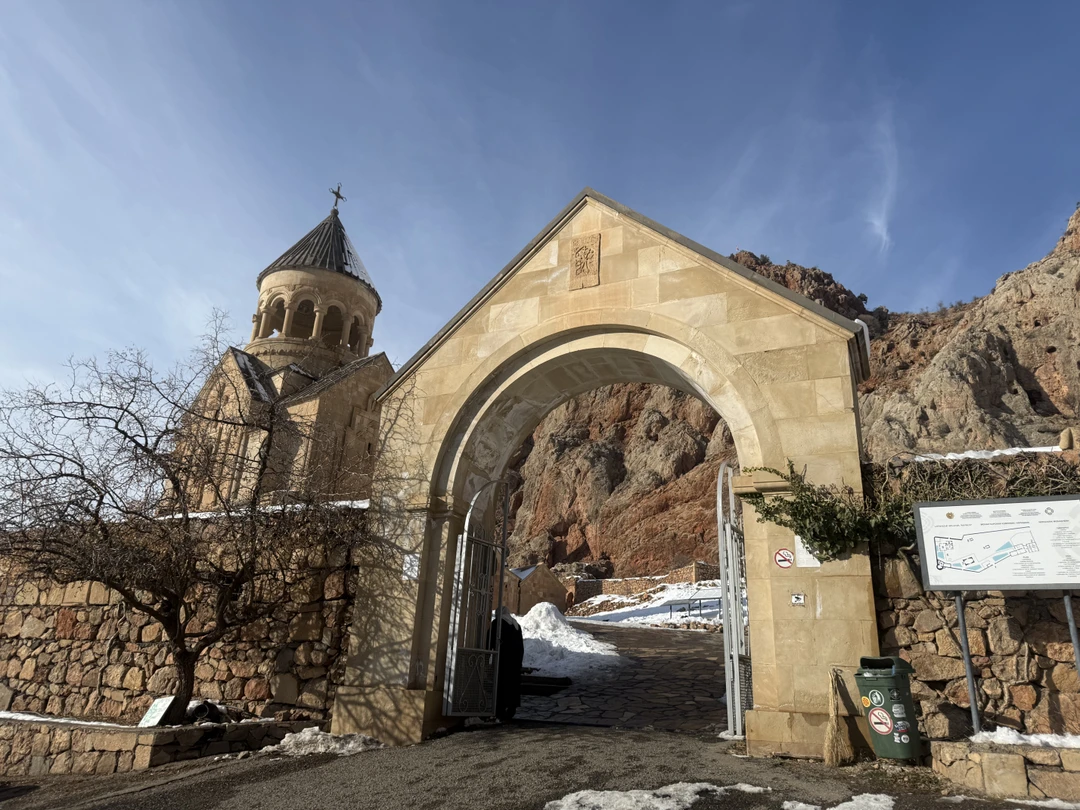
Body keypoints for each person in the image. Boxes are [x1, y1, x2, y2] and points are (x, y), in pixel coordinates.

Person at [489, 606, 524, 722]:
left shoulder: (497, 624)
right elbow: (520, 645)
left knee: (501, 684)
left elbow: (489, 640)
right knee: (512, 685)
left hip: (502, 659)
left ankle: (500, 710)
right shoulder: (516, 625)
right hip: (514, 661)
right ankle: (511, 708)